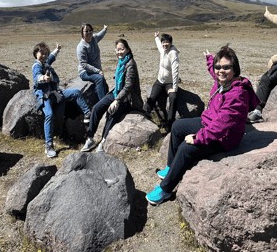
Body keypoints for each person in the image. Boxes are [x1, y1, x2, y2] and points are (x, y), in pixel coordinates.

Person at [146, 44, 260, 205]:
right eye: (218, 67)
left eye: (226, 67)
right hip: (209, 122)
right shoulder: (224, 82)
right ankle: (171, 168)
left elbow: (221, 127)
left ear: (235, 69)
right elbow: (215, 73)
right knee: (177, 126)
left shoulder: (237, 94)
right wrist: (210, 60)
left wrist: (198, 138)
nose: (221, 70)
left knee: (186, 149)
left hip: (225, 137)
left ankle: (165, 189)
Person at [81, 39, 144, 153]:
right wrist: (115, 97)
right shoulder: (121, 62)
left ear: (128, 49)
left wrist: (117, 100)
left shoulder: (130, 64)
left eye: (122, 49)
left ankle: (104, 141)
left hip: (128, 98)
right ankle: (90, 138)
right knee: (96, 108)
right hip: (117, 92)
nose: (119, 52)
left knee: (112, 111)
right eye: (118, 49)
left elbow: (128, 86)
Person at [32, 42, 91, 158]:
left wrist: (57, 49)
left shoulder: (46, 62)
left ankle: (87, 113)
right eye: (41, 53)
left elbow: (51, 57)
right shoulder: (37, 66)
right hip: (44, 95)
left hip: (55, 93)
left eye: (45, 53)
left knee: (76, 93)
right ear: (35, 54)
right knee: (49, 115)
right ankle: (49, 145)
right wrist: (43, 78)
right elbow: (36, 76)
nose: (44, 56)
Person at [143, 32, 180, 131]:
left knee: (173, 97)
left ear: (171, 43)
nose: (164, 44)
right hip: (160, 81)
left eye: (167, 42)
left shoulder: (173, 54)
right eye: (163, 42)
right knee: (152, 97)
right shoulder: (162, 50)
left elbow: (176, 71)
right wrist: (156, 37)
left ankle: (170, 122)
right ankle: (143, 115)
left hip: (170, 82)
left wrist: (175, 88)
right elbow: (159, 45)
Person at [77, 23, 109, 102]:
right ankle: (103, 103)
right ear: (82, 33)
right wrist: (97, 71)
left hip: (95, 70)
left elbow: (100, 35)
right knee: (99, 79)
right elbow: (83, 64)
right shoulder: (81, 47)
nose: (89, 32)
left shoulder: (94, 38)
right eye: (86, 31)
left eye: (90, 30)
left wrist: (105, 29)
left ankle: (108, 102)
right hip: (85, 72)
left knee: (106, 86)